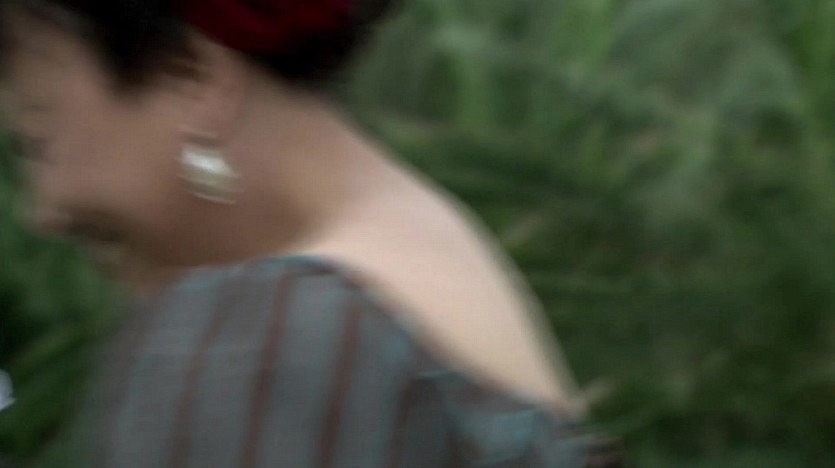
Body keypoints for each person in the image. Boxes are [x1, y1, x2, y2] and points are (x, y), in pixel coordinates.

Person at [0, 0, 625, 466]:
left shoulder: (268, 339)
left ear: (190, 77)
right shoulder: (434, 271)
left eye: (37, 139)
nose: (43, 211)